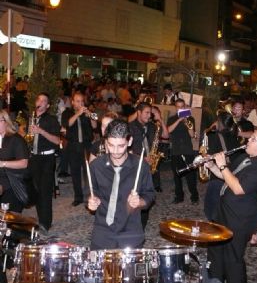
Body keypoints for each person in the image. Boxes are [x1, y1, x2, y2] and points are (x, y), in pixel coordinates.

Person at [205, 129, 257, 283]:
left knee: (232, 260)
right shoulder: (245, 158)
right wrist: (212, 167)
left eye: (253, 139)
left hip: (239, 221)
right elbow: (228, 178)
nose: (248, 141)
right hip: (223, 215)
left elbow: (238, 188)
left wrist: (223, 165)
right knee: (215, 255)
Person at [87, 119, 155, 249]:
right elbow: (90, 191)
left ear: (129, 141)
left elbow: (150, 194)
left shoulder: (141, 166)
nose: (116, 151)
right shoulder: (96, 166)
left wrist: (140, 201)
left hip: (131, 232)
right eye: (111, 145)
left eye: (121, 146)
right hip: (102, 232)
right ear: (105, 141)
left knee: (130, 270)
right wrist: (91, 201)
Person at [28, 93, 61, 233]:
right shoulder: (32, 118)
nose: (40, 102)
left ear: (47, 106)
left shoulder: (51, 120)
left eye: (44, 101)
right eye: (39, 99)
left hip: (47, 159)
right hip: (34, 157)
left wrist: (40, 131)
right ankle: (41, 219)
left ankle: (45, 223)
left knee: (45, 191)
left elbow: (57, 141)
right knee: (36, 190)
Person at [203, 111, 241, 221]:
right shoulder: (235, 136)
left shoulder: (216, 137)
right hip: (232, 176)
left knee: (211, 210)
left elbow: (210, 155)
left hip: (218, 176)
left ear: (219, 122)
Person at [61, 92, 97, 206]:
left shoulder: (87, 113)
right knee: (75, 172)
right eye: (77, 101)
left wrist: (90, 115)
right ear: (72, 102)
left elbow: (95, 126)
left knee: (88, 172)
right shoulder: (67, 112)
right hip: (73, 145)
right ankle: (78, 197)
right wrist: (78, 114)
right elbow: (67, 124)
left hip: (86, 145)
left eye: (82, 101)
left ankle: (90, 195)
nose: (80, 103)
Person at [167, 98, 199, 204]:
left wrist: (186, 121)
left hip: (187, 150)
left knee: (191, 176)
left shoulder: (190, 119)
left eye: (182, 107)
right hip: (176, 150)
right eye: (178, 107)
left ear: (185, 107)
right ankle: (179, 196)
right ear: (176, 108)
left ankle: (194, 197)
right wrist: (179, 120)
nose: (180, 109)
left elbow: (191, 135)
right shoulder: (171, 119)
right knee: (177, 176)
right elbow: (168, 131)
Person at [0, 110, 29, 213]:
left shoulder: (15, 139)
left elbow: (24, 163)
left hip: (13, 184)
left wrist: (2, 163)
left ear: (6, 122)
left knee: (10, 220)